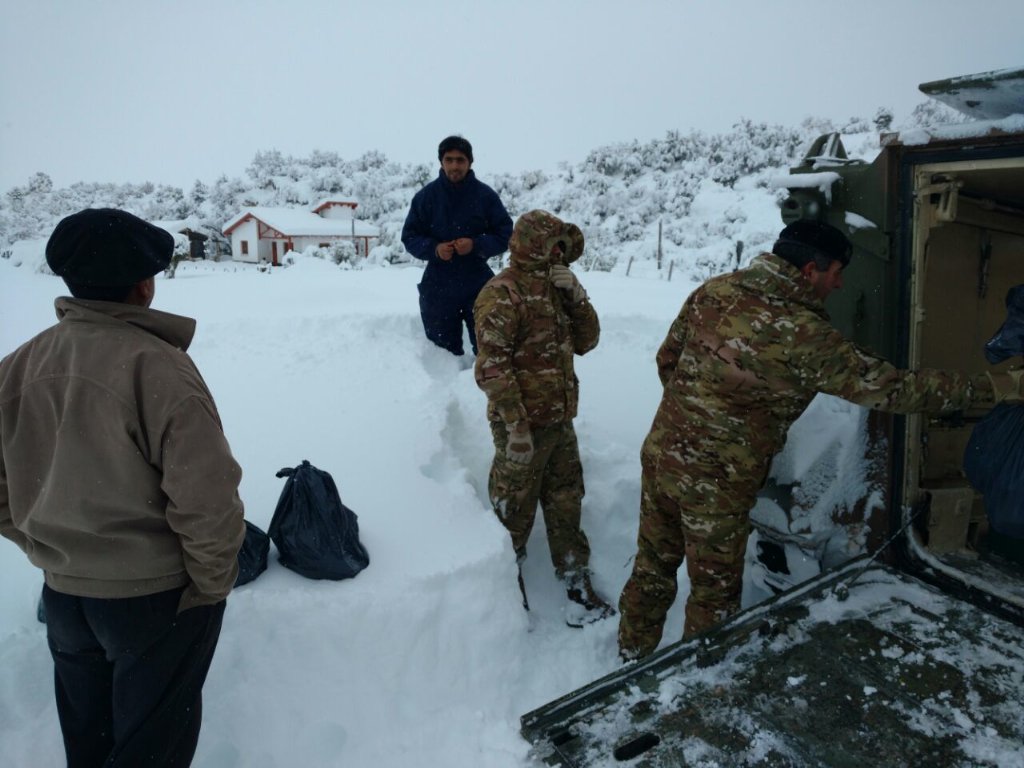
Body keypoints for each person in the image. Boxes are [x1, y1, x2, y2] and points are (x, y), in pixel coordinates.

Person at [617, 219, 1023, 661]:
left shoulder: (715, 291)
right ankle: (695, 684)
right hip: (717, 481)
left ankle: (629, 654)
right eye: (836, 274)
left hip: (662, 454)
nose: (840, 283)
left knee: (653, 565)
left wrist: (696, 418)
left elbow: (668, 358)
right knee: (713, 595)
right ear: (811, 269)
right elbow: (896, 389)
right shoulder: (802, 332)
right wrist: (996, 387)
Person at [0, 208, 246, 767]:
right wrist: (209, 587)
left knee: (88, 744)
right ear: (144, 285)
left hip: (64, 597)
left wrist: (43, 543)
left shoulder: (18, 365)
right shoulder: (160, 368)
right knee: (150, 751)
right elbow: (207, 497)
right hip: (152, 600)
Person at [473, 209, 613, 626]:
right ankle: (503, 590)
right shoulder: (502, 294)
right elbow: (492, 369)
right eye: (554, 245)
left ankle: (575, 580)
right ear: (533, 245)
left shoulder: (557, 288)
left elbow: (588, 342)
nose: (561, 252)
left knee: (567, 500)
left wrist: (578, 296)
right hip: (521, 426)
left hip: (559, 420)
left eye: (563, 247)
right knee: (514, 508)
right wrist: (515, 426)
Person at [402, 135, 514, 357]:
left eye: (460, 160)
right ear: (441, 162)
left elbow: (505, 234)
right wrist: (435, 249)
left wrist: (476, 244)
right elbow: (410, 236)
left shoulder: (485, 196)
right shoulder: (426, 198)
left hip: (479, 283)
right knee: (441, 357)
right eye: (449, 159)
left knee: (490, 350)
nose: (455, 165)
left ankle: (482, 390)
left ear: (470, 162)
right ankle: (447, 391)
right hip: (437, 286)